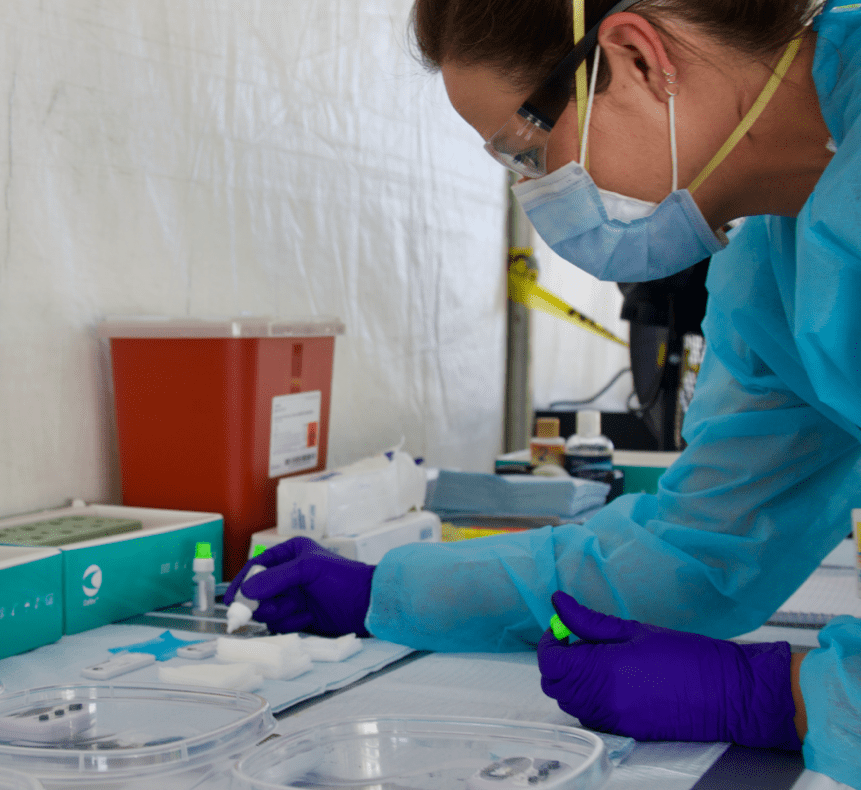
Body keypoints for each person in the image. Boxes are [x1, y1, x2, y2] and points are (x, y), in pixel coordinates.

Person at [226, 0, 861, 785]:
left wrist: (787, 697)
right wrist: (383, 593)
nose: (537, 189)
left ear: (634, 57)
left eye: (523, 150)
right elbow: (702, 549)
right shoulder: (775, 270)